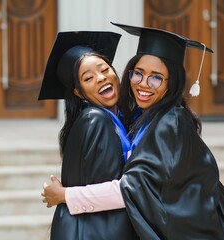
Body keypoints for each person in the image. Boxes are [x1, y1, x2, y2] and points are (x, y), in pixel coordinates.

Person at [42, 23, 224, 240]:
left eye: (156, 77)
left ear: (172, 82)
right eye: (138, 74)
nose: (143, 84)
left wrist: (64, 195)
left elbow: (132, 190)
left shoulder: (170, 123)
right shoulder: (140, 116)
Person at [38, 31, 138, 240]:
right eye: (88, 78)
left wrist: (64, 195)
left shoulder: (113, 117)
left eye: (104, 69)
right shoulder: (95, 120)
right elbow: (113, 190)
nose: (101, 78)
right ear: (79, 92)